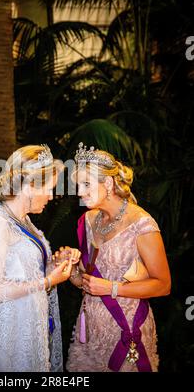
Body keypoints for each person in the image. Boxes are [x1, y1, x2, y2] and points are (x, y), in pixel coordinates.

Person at [0, 144, 81, 372]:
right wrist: (49, 282)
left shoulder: (24, 221)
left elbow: (26, 269)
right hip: (8, 336)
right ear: (30, 186)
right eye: (49, 189)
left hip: (28, 326)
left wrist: (58, 262)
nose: (51, 196)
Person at [66, 143, 171, 372]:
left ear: (108, 183)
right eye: (78, 186)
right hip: (89, 333)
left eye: (86, 185)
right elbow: (86, 280)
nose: (79, 192)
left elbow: (163, 285)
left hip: (126, 328)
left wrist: (112, 288)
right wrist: (71, 267)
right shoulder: (88, 221)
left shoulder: (142, 225)